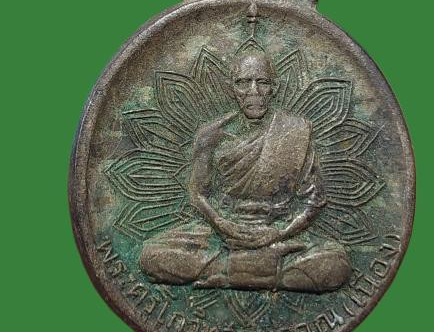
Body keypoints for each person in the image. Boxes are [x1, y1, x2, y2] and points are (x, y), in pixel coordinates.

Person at [139, 51, 350, 292]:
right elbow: (197, 194)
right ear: (231, 88)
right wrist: (222, 224)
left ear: (274, 88)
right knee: (151, 256)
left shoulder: (296, 130)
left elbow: (315, 200)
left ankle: (226, 271)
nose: (254, 91)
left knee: (336, 265)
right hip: (224, 232)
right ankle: (270, 272)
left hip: (278, 231)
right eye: (243, 83)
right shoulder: (210, 135)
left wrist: (278, 233)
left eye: (263, 82)